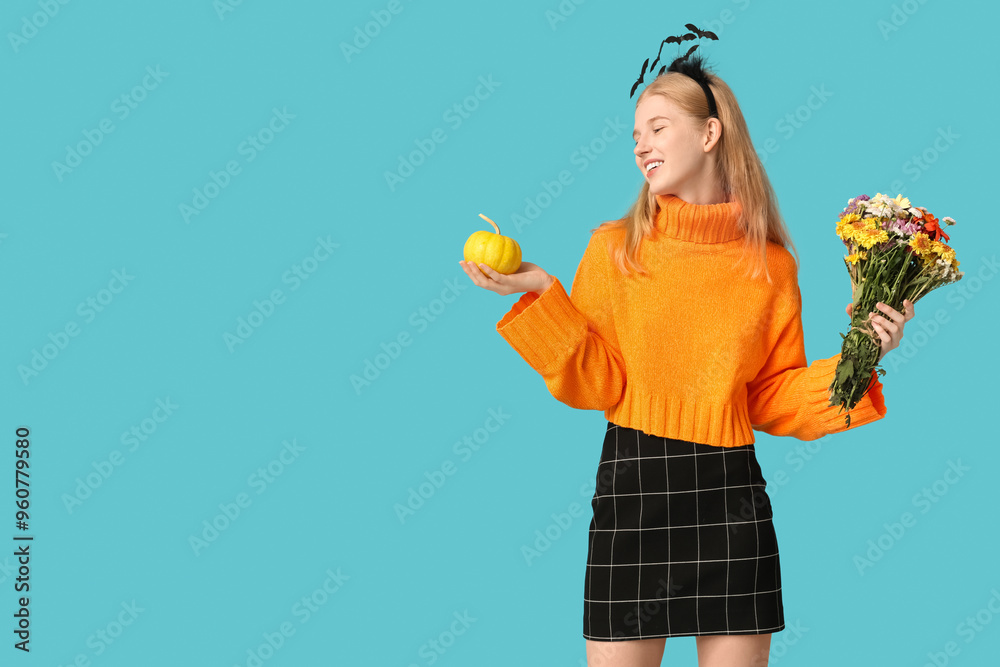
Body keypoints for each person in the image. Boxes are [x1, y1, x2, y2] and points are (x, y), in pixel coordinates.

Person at [459, 53, 914, 667]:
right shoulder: (614, 249)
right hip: (633, 487)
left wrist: (864, 356)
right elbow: (598, 383)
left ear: (709, 132)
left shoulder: (771, 266)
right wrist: (543, 292)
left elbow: (769, 398)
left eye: (657, 127)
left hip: (731, 499)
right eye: (636, 135)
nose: (642, 146)